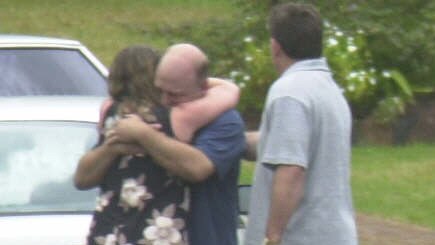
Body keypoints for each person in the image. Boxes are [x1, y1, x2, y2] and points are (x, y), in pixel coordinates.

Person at [74, 45, 241, 245]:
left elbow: (198, 168)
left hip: (137, 233)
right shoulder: (127, 121)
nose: (165, 100)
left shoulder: (219, 120)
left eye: (174, 94)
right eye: (160, 90)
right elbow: (82, 179)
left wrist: (143, 134)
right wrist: (112, 147)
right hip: (138, 232)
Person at [243, 3, 358, 245]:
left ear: (275, 46)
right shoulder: (328, 89)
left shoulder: (289, 92)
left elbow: (291, 169)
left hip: (301, 236)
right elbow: (285, 145)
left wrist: (272, 237)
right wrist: (235, 141)